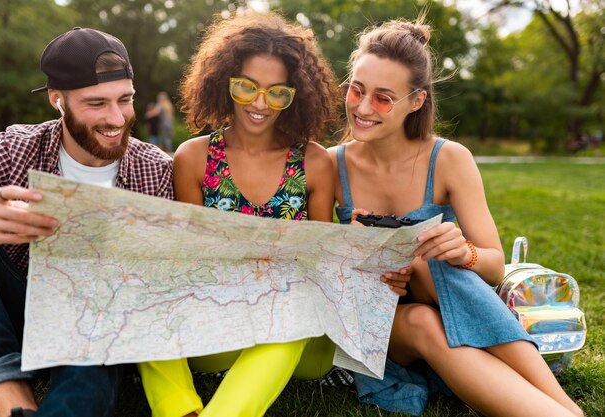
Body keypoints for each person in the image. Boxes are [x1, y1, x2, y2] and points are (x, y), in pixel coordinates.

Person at [328, 17, 583, 417]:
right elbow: (312, 268)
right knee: (422, 273)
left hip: (435, 316)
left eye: (383, 98)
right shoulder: (329, 167)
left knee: (430, 272)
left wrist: (464, 252)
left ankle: (561, 409)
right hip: (377, 324)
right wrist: (354, 258)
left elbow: (496, 267)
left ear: (416, 101)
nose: (361, 107)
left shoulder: (448, 158)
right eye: (356, 90)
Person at [137, 12, 340, 417]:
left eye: (277, 92)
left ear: (296, 94)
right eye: (246, 87)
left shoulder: (315, 162)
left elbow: (321, 266)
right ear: (224, 83)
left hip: (296, 339)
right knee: (142, 286)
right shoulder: (193, 158)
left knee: (299, 302)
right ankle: (180, 411)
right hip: (217, 329)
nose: (260, 104)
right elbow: (189, 262)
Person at [0, 27, 174, 417]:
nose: (116, 118)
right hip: (12, 311)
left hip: (97, 321)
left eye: (126, 99)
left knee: (99, 337)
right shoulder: (13, 150)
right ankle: (10, 395)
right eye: (96, 103)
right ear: (58, 100)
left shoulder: (158, 172)